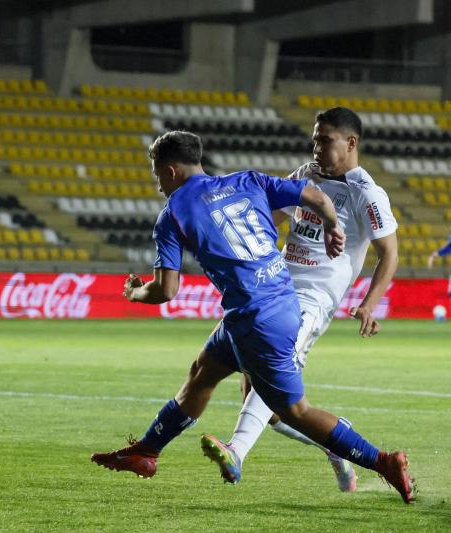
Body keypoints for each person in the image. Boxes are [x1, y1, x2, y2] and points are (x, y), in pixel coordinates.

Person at [90, 130, 415, 504]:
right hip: (271, 305)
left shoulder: (173, 214)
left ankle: (383, 461)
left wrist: (133, 292)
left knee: (293, 411)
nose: (160, 186)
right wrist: (331, 225)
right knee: (202, 372)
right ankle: (146, 452)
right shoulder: (248, 180)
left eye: (159, 176)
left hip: (258, 319)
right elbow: (316, 195)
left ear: (172, 171)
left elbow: (165, 290)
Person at [200, 107, 399, 493]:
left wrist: (369, 304)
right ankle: (335, 443)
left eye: (325, 140)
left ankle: (236, 452)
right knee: (272, 414)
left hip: (312, 299)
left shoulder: (366, 194)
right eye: (314, 139)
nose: (316, 147)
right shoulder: (306, 177)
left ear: (351, 142)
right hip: (272, 291)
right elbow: (268, 218)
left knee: (273, 372)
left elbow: (389, 253)